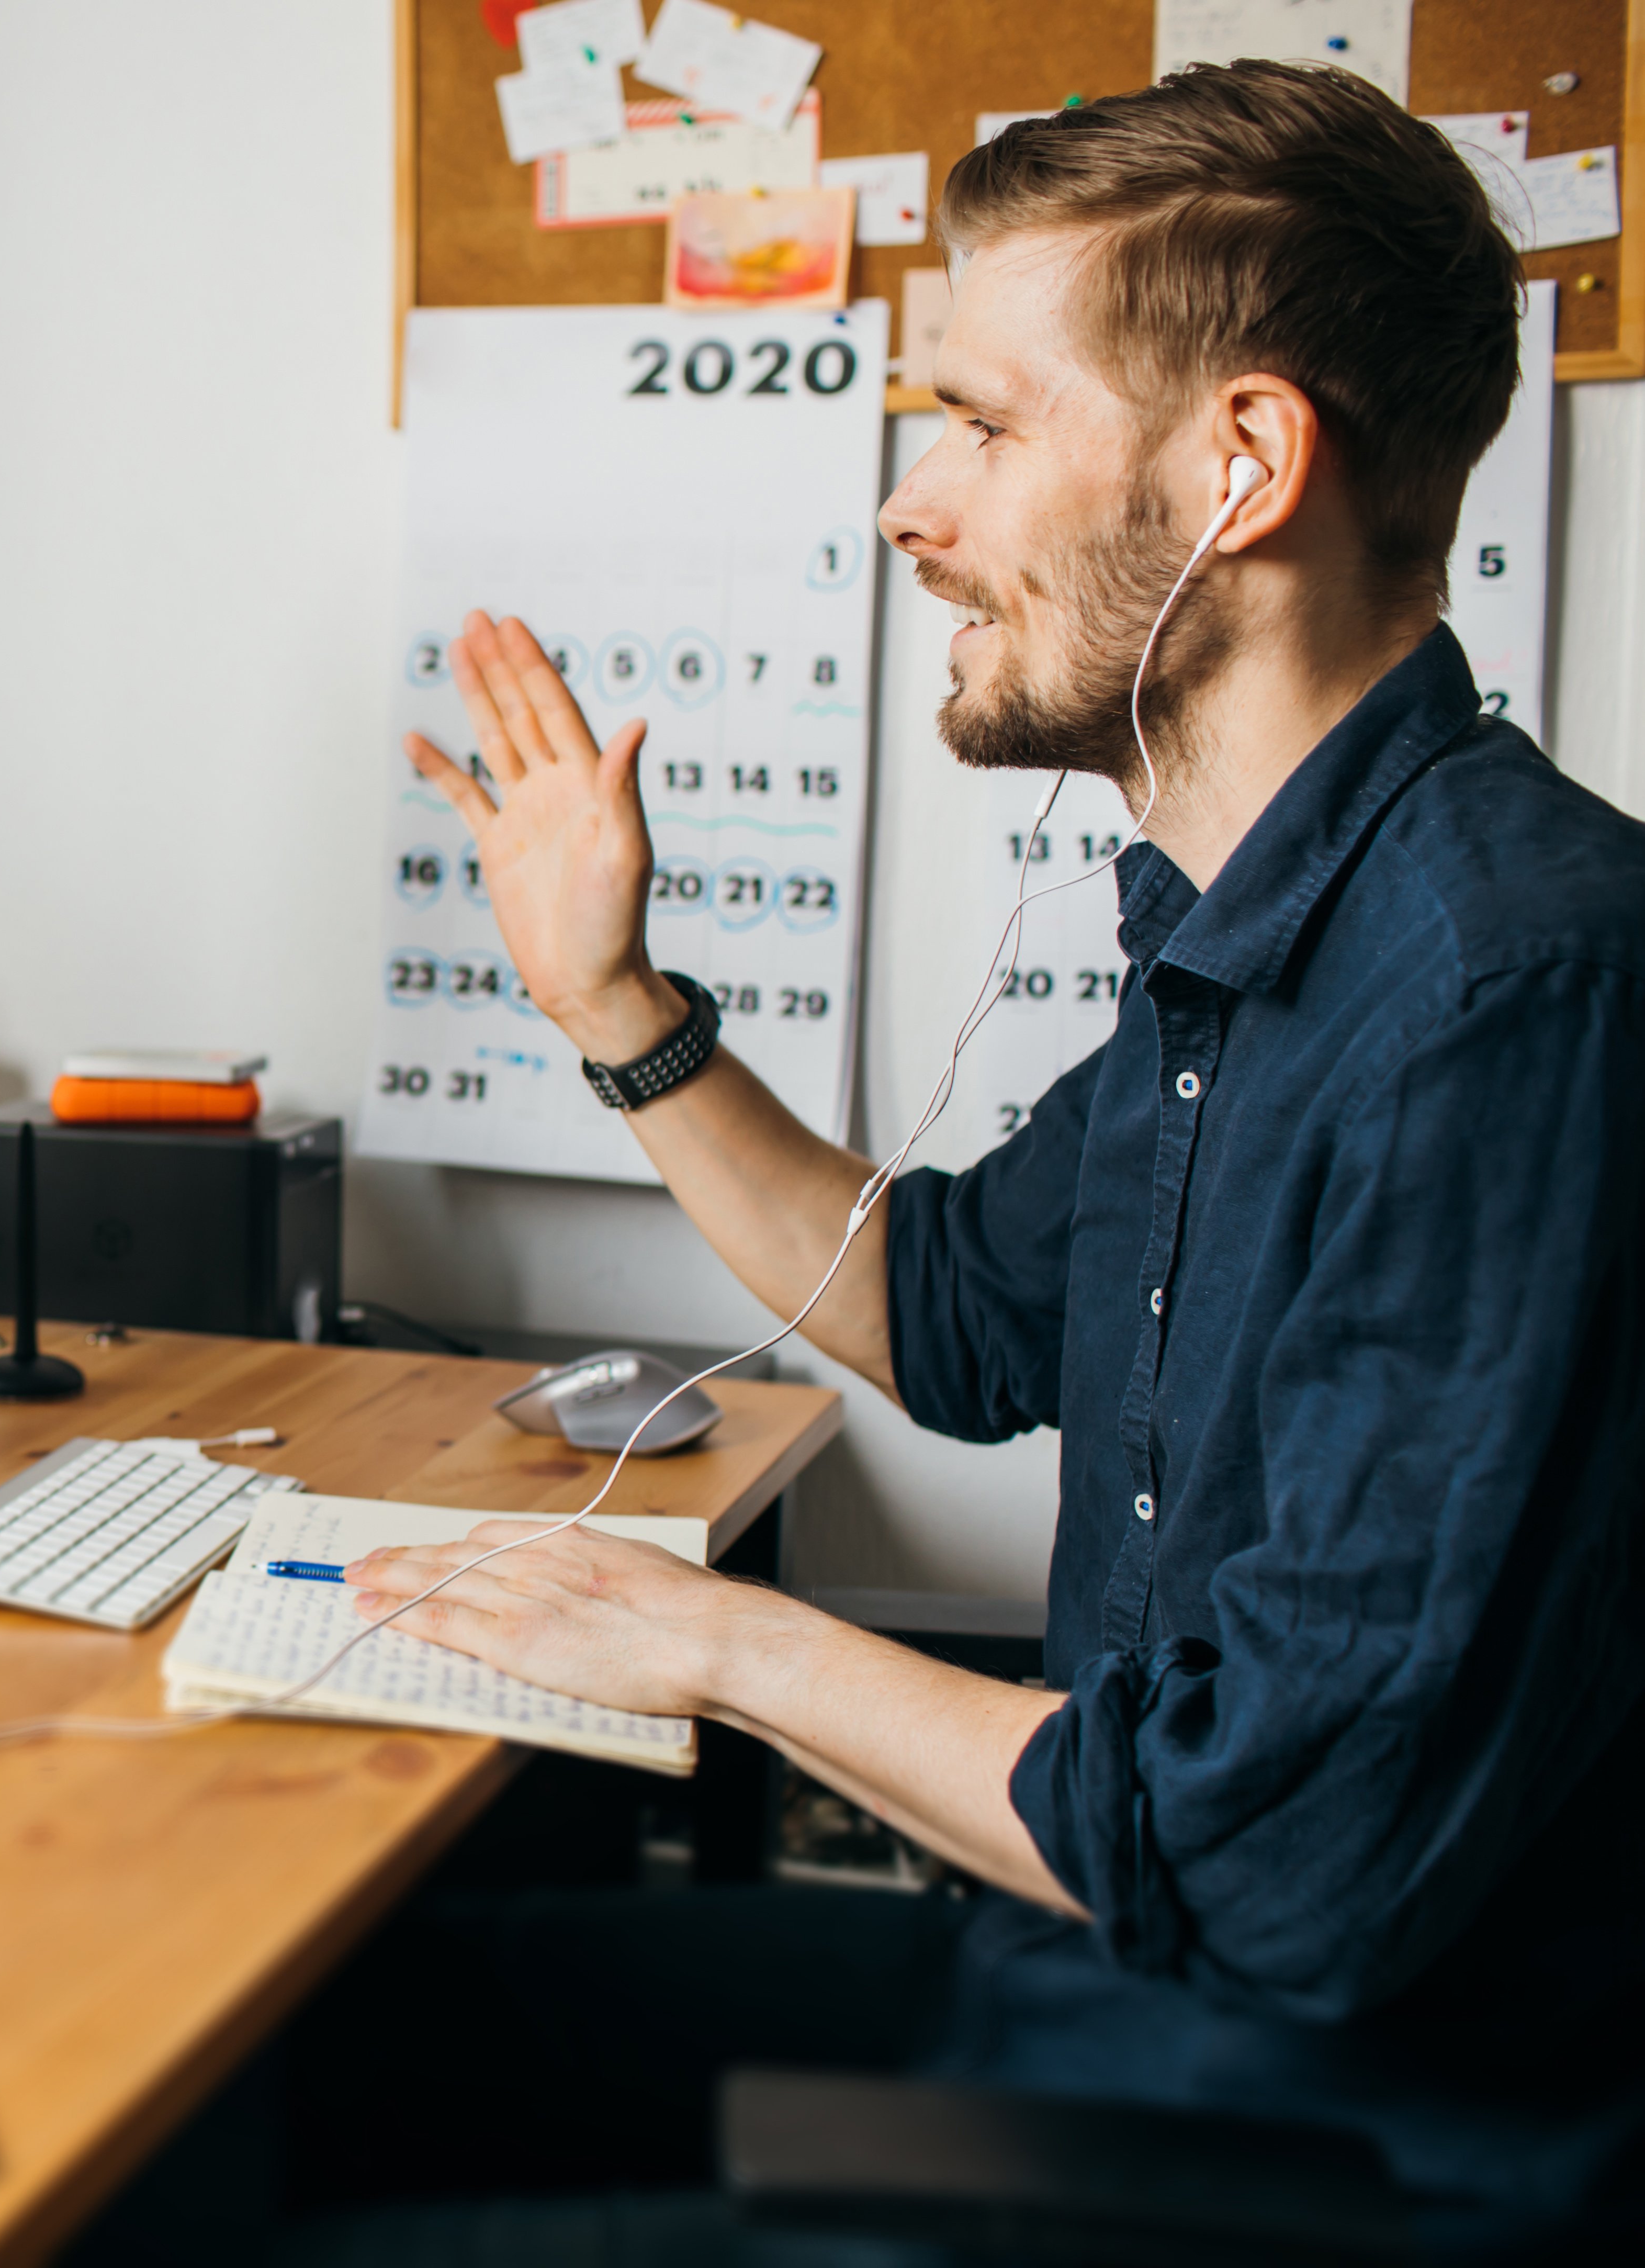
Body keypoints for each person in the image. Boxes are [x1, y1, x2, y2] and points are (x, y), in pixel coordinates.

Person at [265, 63, 1645, 2260]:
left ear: (1242, 466)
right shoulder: (1267, 930)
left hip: (1325, 2153)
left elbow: (1281, 1862)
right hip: (1088, 2000)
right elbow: (950, 1314)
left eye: (986, 426)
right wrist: (614, 1002)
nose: (915, 505)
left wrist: (719, 1646)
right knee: (302, 2054)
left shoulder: (1508, 991)